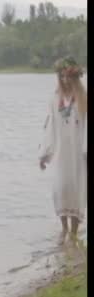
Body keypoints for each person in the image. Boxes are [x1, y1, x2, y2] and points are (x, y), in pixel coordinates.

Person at [39, 56, 87, 244]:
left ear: (75, 77)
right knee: (60, 188)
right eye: (62, 77)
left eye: (68, 77)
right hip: (61, 151)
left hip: (78, 151)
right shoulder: (55, 98)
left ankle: (74, 232)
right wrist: (45, 153)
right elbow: (50, 126)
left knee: (76, 188)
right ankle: (64, 228)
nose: (65, 80)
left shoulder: (83, 98)